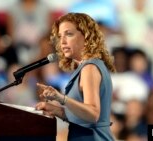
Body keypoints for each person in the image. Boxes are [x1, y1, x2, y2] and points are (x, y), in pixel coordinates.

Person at [35, 12, 116, 141]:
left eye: (69, 34)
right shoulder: (87, 67)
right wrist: (57, 111)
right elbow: (83, 118)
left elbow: (93, 113)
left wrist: (60, 98)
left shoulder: (89, 68)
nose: (62, 41)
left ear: (86, 36)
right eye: (60, 36)